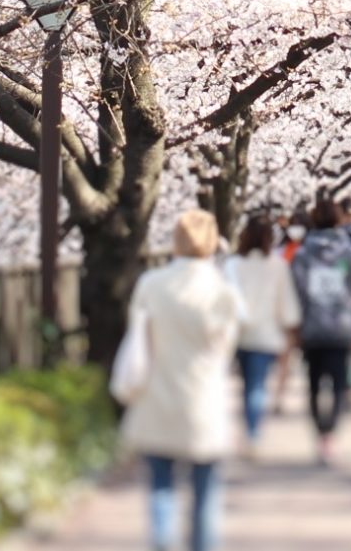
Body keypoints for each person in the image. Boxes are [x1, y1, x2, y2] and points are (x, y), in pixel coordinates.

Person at [121, 210, 242, 551]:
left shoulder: (151, 285)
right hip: (204, 400)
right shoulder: (223, 292)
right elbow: (225, 350)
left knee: (161, 488)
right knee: (205, 497)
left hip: (158, 396)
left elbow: (138, 340)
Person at [291, 197, 351, 465]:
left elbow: (297, 292)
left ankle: (320, 432)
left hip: (312, 327)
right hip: (343, 327)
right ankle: (331, 435)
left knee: (314, 383)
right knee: (338, 385)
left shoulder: (303, 255)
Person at [227, 214, 301, 455]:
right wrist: (290, 328)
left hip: (239, 333)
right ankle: (253, 433)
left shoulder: (234, 265)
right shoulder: (278, 266)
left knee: (247, 384)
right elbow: (287, 305)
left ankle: (249, 430)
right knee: (257, 384)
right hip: (267, 334)